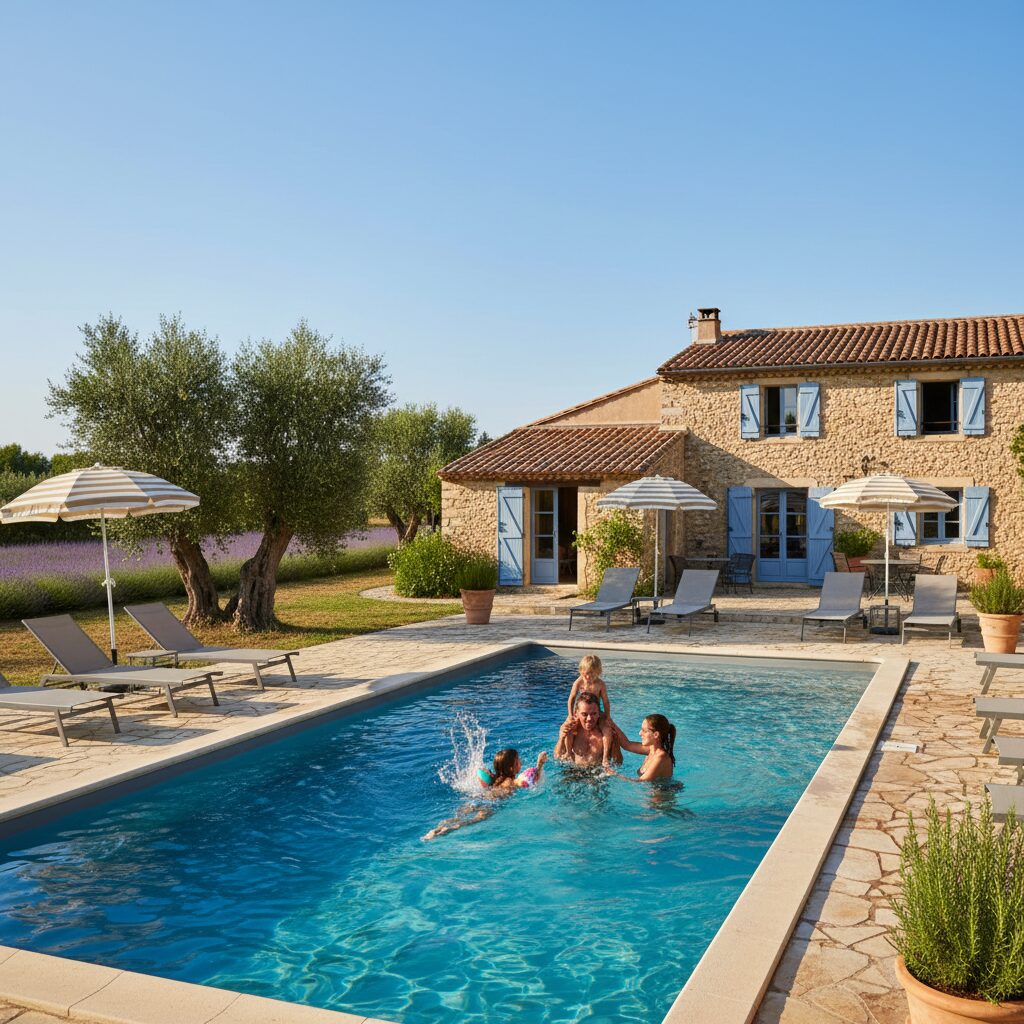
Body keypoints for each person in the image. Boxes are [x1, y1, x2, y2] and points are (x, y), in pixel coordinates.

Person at [422, 748, 547, 840]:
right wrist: (540, 765)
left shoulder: (495, 779)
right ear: (511, 768)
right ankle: (447, 830)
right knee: (473, 820)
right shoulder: (512, 782)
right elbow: (530, 779)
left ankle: (438, 827)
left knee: (457, 817)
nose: (521, 762)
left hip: (479, 798)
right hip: (493, 803)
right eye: (518, 761)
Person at [563, 654, 618, 765]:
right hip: (581, 711)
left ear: (598, 672)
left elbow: (606, 702)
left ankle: (605, 758)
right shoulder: (579, 682)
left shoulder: (600, 684)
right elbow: (571, 699)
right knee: (569, 728)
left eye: (592, 673)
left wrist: (607, 716)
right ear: (581, 671)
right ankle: (568, 752)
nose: (588, 676)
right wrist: (570, 715)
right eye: (586, 673)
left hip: (597, 712)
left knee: (607, 730)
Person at [555, 692, 622, 766]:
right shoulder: (571, 730)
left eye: (594, 714)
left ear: (599, 713)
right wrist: (561, 738)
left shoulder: (605, 734)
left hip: (598, 771)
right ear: (576, 713)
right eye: (584, 714)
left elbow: (618, 762)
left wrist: (615, 743)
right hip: (573, 770)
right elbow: (557, 757)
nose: (589, 718)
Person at [609, 713, 676, 781]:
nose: (640, 733)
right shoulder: (651, 750)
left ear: (656, 734)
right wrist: (609, 722)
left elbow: (640, 781)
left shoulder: (661, 757)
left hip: (663, 788)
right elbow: (626, 745)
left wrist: (614, 774)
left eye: (644, 731)